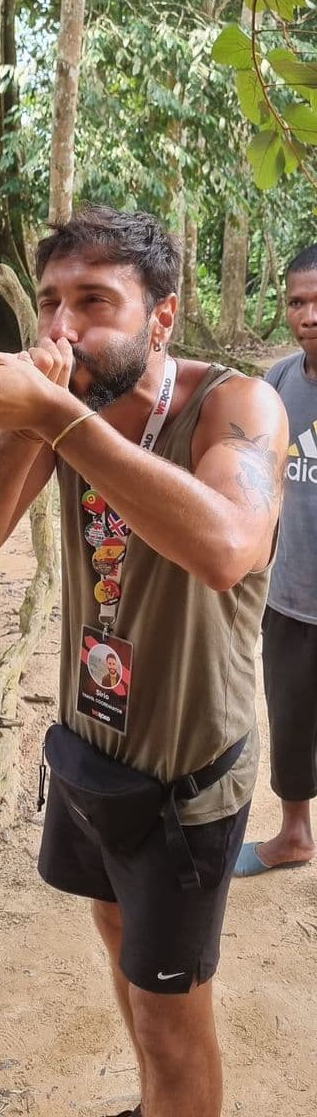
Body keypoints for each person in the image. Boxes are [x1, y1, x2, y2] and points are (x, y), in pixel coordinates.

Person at [0, 206, 287, 1117]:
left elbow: (223, 547)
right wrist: (29, 423)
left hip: (185, 781)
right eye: (50, 304)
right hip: (89, 755)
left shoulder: (234, 405)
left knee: (176, 1031)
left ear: (161, 318)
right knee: (121, 951)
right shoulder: (68, 409)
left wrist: (53, 416)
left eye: (93, 302)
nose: (63, 330)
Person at [235, 242, 317, 877]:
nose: (308, 314)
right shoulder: (278, 384)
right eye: (297, 302)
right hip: (288, 593)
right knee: (290, 718)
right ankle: (295, 835)